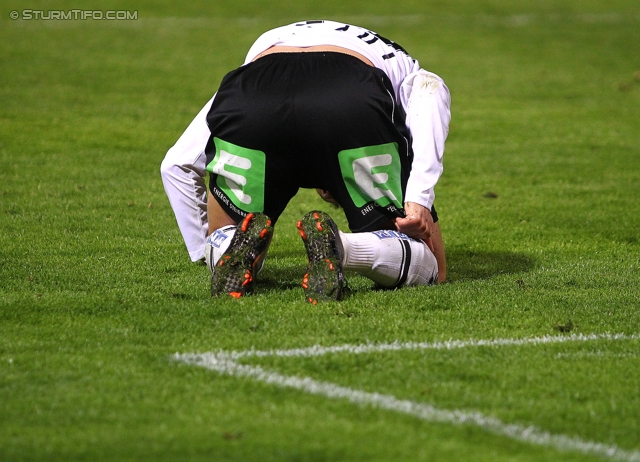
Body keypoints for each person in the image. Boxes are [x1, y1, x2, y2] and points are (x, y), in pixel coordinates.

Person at [160, 20, 451, 303]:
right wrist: (418, 199)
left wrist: (205, 253)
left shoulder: (260, 58)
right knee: (432, 267)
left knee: (231, 233)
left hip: (254, 95)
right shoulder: (398, 63)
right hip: (347, 93)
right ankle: (342, 247)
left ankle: (224, 248)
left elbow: (176, 164)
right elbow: (431, 87)